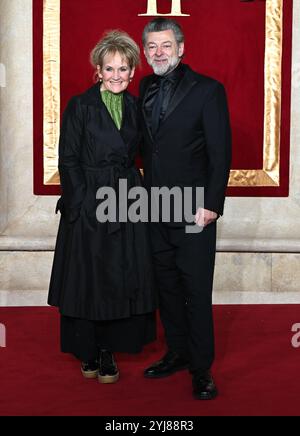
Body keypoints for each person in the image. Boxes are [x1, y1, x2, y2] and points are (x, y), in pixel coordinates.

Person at [48, 31, 156, 384]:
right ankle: (88, 350)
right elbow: (68, 159)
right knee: (89, 279)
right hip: (89, 202)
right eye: (109, 68)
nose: (116, 76)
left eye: (123, 69)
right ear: (98, 70)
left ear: (132, 70)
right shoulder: (80, 105)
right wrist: (80, 204)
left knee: (120, 276)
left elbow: (152, 152)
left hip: (127, 200)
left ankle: (110, 349)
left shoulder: (136, 106)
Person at [139, 18, 232, 400]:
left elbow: (220, 151)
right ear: (145, 53)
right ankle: (176, 352)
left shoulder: (208, 90)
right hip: (153, 207)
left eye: (165, 45)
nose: (158, 53)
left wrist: (211, 204)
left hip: (195, 210)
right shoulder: (144, 85)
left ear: (181, 48)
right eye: (151, 47)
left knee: (195, 288)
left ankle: (201, 368)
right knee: (167, 287)